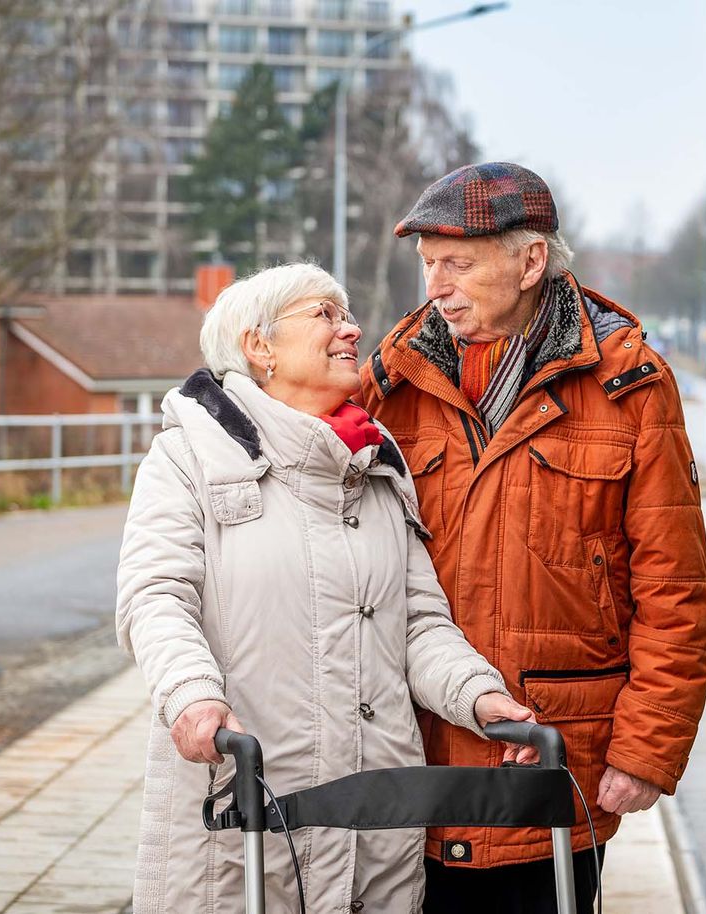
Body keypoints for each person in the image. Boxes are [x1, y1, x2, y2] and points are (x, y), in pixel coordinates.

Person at [117, 262, 536, 913]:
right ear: (260, 348)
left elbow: (420, 624)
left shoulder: (376, 465)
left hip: (378, 820)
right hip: (245, 807)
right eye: (325, 315)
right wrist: (191, 695)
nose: (352, 329)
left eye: (347, 315)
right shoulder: (189, 456)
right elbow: (156, 596)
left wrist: (480, 698)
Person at [360, 162, 706, 912]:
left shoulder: (631, 385)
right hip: (410, 757)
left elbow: (674, 589)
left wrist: (648, 748)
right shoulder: (390, 379)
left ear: (530, 262)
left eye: (457, 263)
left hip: (551, 766)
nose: (436, 287)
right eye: (428, 266)